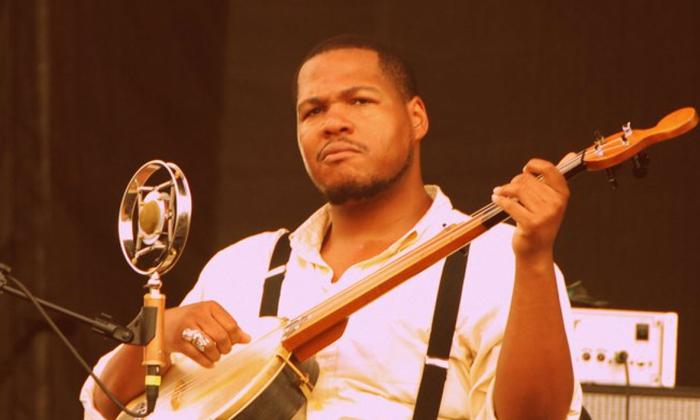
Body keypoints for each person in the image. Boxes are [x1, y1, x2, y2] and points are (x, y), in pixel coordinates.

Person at [81, 35, 582, 419]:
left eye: (359, 101)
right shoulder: (242, 266)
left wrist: (535, 258)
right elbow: (101, 407)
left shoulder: (496, 260)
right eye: (312, 111)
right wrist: (156, 335)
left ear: (417, 117)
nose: (332, 122)